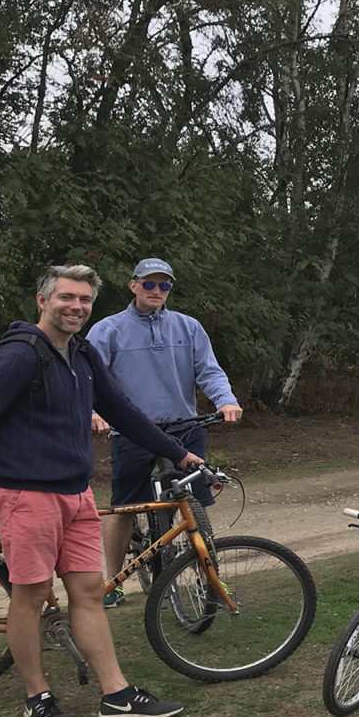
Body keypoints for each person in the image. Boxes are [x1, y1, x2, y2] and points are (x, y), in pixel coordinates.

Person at [0, 265, 203, 717]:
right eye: (66, 297)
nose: (76, 307)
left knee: (86, 593)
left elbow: (123, 410)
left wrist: (178, 452)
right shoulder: (21, 356)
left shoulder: (80, 354)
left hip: (75, 493)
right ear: (42, 301)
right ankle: (36, 697)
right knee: (31, 596)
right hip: (26, 493)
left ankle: (116, 695)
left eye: (84, 300)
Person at [87, 257, 242, 608]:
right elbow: (88, 379)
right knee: (124, 507)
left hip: (185, 429)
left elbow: (209, 371)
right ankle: (113, 582)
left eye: (164, 285)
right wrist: (95, 412)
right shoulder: (107, 330)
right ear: (133, 286)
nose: (157, 291)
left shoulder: (188, 327)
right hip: (131, 430)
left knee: (195, 505)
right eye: (149, 284)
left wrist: (226, 400)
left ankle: (209, 579)